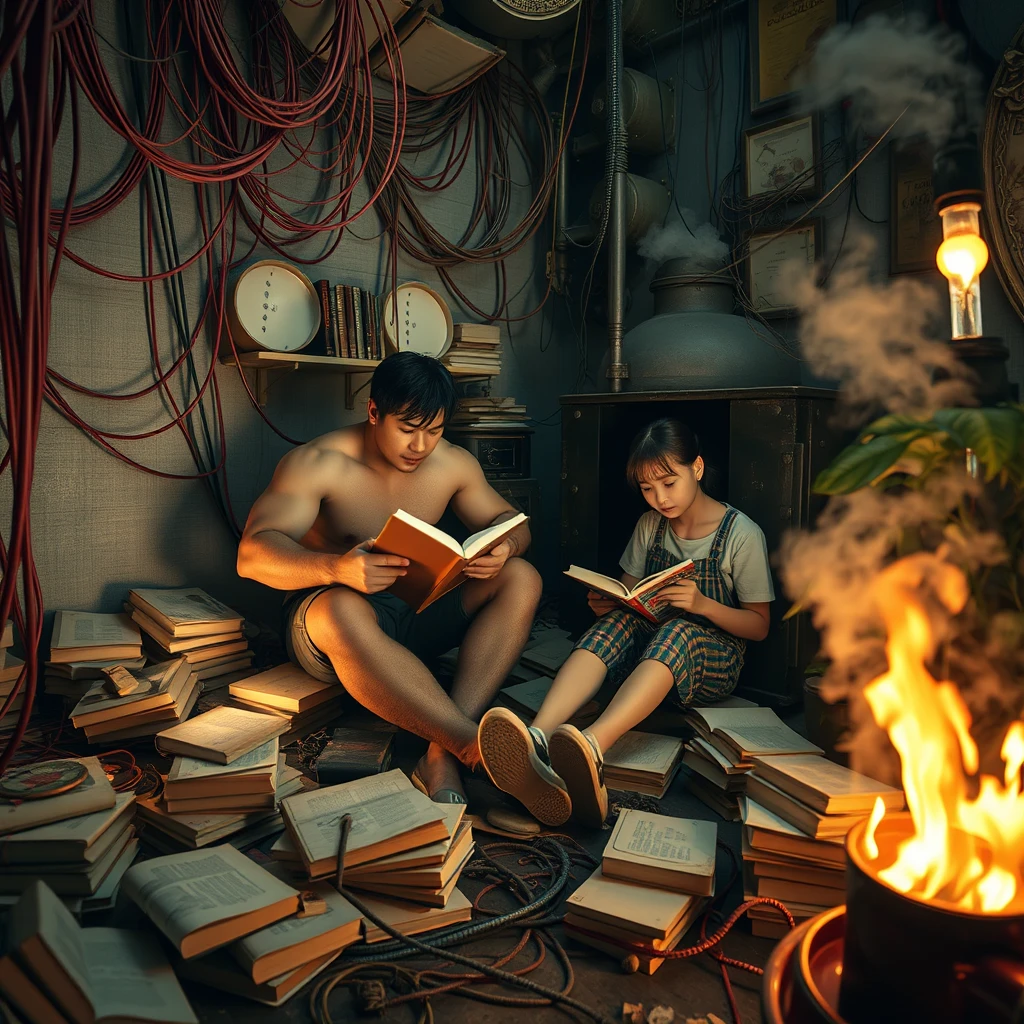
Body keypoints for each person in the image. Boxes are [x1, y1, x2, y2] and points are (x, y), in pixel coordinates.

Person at [237, 352, 540, 805]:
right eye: (407, 429)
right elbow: (252, 555)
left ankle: (440, 752)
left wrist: (504, 547)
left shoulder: (452, 464)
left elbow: (511, 521)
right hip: (335, 628)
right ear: (374, 412)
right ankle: (469, 745)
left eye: (433, 431)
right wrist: (336, 567)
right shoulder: (318, 462)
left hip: (414, 614)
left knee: (521, 576)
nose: (420, 446)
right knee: (341, 605)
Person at [477, 418, 774, 827]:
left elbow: (759, 626)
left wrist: (703, 604)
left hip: (713, 658)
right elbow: (630, 595)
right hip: (648, 652)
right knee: (614, 626)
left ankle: (591, 747)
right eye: (648, 489)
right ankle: (538, 739)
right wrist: (609, 604)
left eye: (669, 483)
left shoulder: (741, 533)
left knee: (679, 630)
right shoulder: (650, 526)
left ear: (698, 468)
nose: (659, 499)